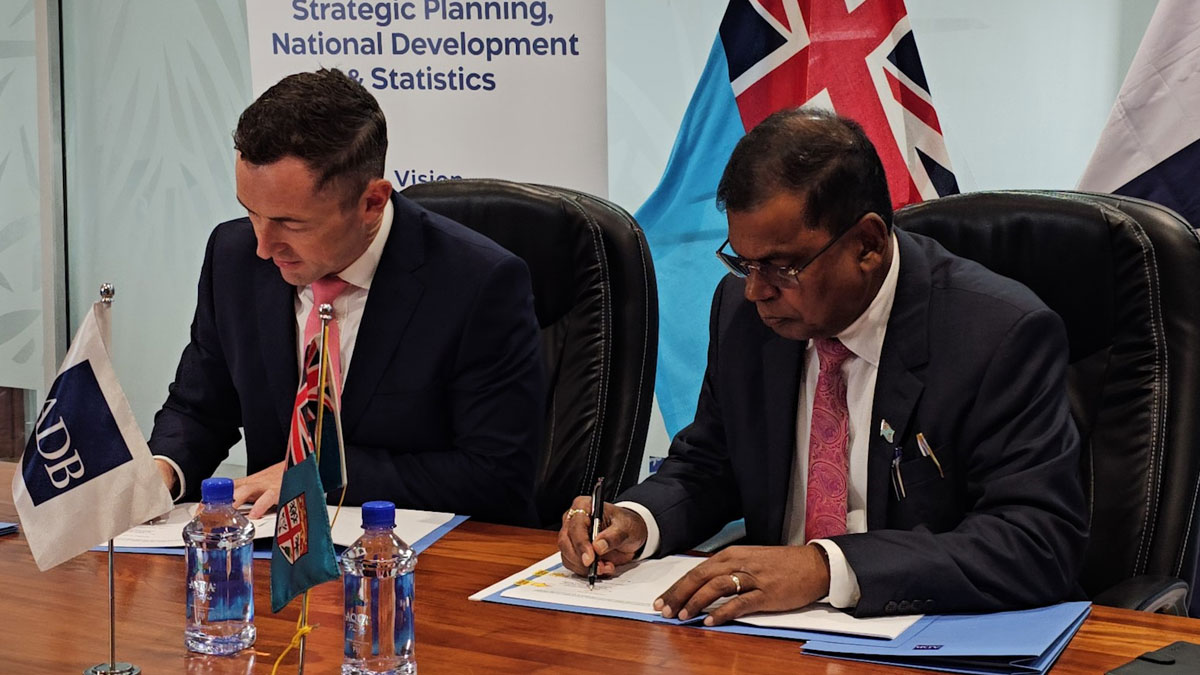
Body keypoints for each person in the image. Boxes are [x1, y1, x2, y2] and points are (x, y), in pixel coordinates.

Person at [558, 108, 1088, 622]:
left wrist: (825, 567)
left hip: (921, 635)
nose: (756, 290)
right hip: (763, 633)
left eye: (781, 266)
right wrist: (637, 520)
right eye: (742, 262)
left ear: (868, 245)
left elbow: (1035, 540)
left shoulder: (996, 334)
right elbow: (712, 465)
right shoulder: (741, 313)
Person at [149, 68, 543, 526]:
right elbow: (199, 407)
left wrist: (319, 475)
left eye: (291, 223)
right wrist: (161, 471)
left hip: (424, 552)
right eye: (251, 212)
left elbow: (495, 475)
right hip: (274, 549)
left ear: (372, 203)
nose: (264, 246)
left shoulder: (478, 284)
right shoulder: (233, 256)